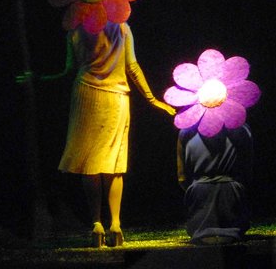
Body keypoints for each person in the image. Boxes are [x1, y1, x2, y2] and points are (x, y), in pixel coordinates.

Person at [19, 20, 175, 247]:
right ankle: (115, 224)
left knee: (90, 162)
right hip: (115, 98)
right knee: (114, 163)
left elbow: (68, 71)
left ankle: (96, 224)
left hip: (85, 94)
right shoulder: (122, 27)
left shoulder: (75, 28)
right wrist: (152, 99)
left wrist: (39, 78)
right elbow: (132, 67)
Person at [177, 123, 253, 245]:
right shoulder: (241, 128)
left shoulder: (186, 131)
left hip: (199, 192)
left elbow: (182, 177)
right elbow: (247, 166)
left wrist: (194, 189)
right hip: (232, 191)